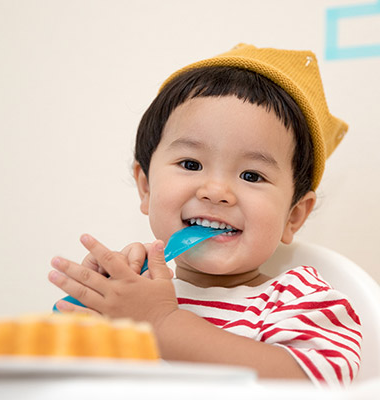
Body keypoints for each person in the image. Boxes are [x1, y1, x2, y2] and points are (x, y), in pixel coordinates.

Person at [48, 44, 362, 386]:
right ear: (146, 187)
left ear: (294, 216)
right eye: (190, 164)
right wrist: (95, 315)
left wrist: (161, 323)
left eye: (252, 176)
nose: (215, 191)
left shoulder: (299, 298)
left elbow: (315, 385)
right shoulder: (132, 294)